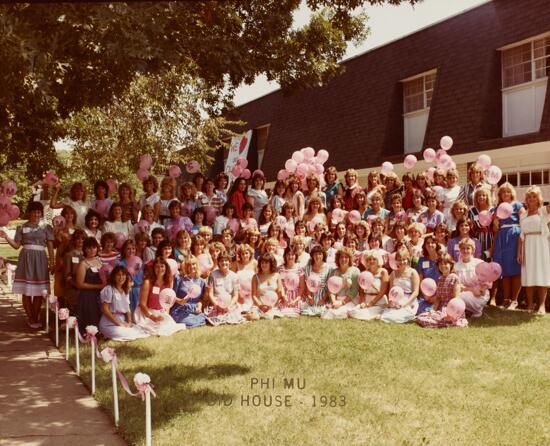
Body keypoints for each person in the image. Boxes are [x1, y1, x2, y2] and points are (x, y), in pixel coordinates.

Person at [0, 201, 55, 328]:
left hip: (41, 259)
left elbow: (51, 247)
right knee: (26, 291)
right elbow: (16, 246)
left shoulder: (46, 227)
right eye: (34, 211)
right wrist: (6, 237)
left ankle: (35, 317)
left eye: (39, 212)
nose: (36, 214)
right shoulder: (21, 227)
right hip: (26, 260)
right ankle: (31, 319)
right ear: (29, 213)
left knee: (39, 291)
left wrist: (52, 263)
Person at [134, 257, 187, 336]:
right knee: (155, 330)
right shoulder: (147, 282)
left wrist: (178, 300)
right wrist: (152, 317)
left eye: (162, 266)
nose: (159, 269)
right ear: (153, 268)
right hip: (146, 313)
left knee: (172, 327)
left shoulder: (168, 282)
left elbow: (167, 297)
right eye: (157, 267)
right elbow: (142, 305)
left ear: (166, 268)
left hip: (160, 311)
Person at [518, 186, 549, 314]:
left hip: (541, 244)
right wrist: (520, 252)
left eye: (534, 196)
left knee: (541, 274)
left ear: (539, 198)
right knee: (528, 275)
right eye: (529, 197)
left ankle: (542, 306)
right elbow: (521, 235)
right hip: (527, 245)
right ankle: (530, 304)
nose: (531, 199)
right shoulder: (523, 214)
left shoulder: (543, 211)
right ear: (526, 199)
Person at [492, 182, 523, 309]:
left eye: (508, 191)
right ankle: (506, 299)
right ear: (500, 194)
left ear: (512, 193)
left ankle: (514, 300)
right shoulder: (498, 207)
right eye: (503, 191)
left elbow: (524, 220)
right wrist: (495, 222)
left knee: (515, 268)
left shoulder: (518, 205)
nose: (506, 194)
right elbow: (495, 228)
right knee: (504, 269)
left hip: (514, 236)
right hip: (502, 236)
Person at [99, 266, 149, 341]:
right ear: (114, 276)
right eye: (118, 275)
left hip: (122, 321)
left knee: (138, 329)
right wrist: (120, 324)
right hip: (109, 323)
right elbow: (105, 309)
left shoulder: (125, 290)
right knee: (130, 333)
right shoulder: (109, 289)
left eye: (123, 275)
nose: (121, 277)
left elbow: (127, 309)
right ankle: (109, 334)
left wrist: (129, 321)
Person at [380, 247, 419, 323]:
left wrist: (405, 304)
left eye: (404, 259)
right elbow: (391, 291)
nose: (401, 262)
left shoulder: (413, 272)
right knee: (386, 316)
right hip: (396, 300)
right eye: (399, 260)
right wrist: (390, 301)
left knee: (397, 317)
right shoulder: (393, 274)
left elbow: (416, 292)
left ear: (408, 259)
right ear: (396, 260)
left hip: (408, 300)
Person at [75, 237, 104, 334]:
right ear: (85, 249)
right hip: (87, 296)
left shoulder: (99, 261)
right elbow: (79, 284)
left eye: (94, 247)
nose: (92, 250)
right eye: (89, 248)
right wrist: (97, 287)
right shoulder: (83, 264)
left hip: (99, 295)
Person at [349, 252, 389, 320]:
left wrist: (371, 303)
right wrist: (362, 302)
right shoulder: (364, 273)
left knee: (362, 315)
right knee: (352, 312)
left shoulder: (383, 272)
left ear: (378, 260)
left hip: (378, 301)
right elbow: (361, 291)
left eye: (374, 259)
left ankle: (379, 313)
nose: (371, 261)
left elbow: (383, 291)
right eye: (369, 259)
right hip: (366, 299)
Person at [455, 238, 489, 317]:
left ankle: (477, 310)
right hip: (465, 291)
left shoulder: (480, 263)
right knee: (456, 295)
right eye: (463, 248)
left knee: (458, 297)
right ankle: (466, 311)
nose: (465, 250)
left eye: (468, 248)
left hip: (479, 295)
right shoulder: (456, 266)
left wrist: (479, 290)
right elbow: (458, 285)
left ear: (473, 250)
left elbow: (486, 283)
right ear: (460, 250)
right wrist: (468, 289)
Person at [321, 248, 360, 319]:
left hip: (349, 300)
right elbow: (331, 290)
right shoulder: (334, 271)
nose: (343, 259)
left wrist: (342, 303)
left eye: (346, 257)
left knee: (336, 313)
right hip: (336, 300)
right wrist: (333, 302)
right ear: (338, 259)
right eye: (341, 257)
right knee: (325, 314)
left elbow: (354, 291)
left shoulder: (355, 271)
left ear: (350, 259)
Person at [171, 258, 207, 328]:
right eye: (188, 265)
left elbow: (200, 299)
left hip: (194, 310)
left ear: (197, 265)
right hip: (181, 309)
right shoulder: (179, 279)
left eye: (193, 264)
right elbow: (172, 295)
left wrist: (199, 307)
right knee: (189, 321)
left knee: (204, 318)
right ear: (185, 267)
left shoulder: (201, 281)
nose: (191, 266)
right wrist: (179, 301)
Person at [251, 253, 284, 319]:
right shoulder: (255, 277)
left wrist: (272, 305)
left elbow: (279, 293)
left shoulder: (277, 275)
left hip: (273, 305)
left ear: (271, 264)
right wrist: (260, 305)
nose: (263, 265)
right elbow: (253, 295)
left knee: (271, 316)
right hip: (259, 305)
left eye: (266, 263)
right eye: (262, 263)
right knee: (254, 317)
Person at [301, 246, 332, 316]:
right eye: (315, 254)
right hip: (311, 295)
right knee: (305, 310)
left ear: (323, 255)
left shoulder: (329, 268)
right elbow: (306, 284)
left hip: (324, 296)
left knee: (325, 311)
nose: (317, 256)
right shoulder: (308, 268)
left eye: (320, 254)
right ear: (312, 255)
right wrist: (309, 297)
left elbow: (330, 287)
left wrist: (324, 299)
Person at [278, 248, 304, 317]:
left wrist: (296, 300)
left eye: (292, 254)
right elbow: (281, 285)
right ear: (285, 256)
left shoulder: (299, 269)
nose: (290, 257)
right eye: (288, 254)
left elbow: (302, 287)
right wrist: (284, 297)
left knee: (295, 312)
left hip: (296, 296)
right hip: (284, 296)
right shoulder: (281, 268)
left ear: (296, 256)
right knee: (283, 312)